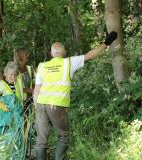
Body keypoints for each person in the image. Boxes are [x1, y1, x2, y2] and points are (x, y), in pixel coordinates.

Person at [33, 31, 118, 160]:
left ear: (51, 54)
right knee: (63, 136)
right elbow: (91, 55)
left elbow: (36, 90)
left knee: (41, 140)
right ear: (64, 52)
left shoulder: (42, 66)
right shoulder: (68, 62)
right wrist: (106, 42)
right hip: (57, 105)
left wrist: (36, 107)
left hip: (40, 104)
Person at [0, 61, 24, 159]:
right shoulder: (0, 85)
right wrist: (1, 106)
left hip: (18, 117)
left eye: (15, 75)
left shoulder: (18, 82)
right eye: (11, 75)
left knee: (18, 141)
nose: (13, 77)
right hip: (6, 118)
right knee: (7, 141)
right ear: (5, 74)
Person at [14, 47, 35, 114]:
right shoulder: (14, 69)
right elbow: (14, 87)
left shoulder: (29, 68)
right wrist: (31, 90)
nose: (27, 55)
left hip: (30, 100)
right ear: (20, 56)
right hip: (19, 101)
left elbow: (33, 82)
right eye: (25, 54)